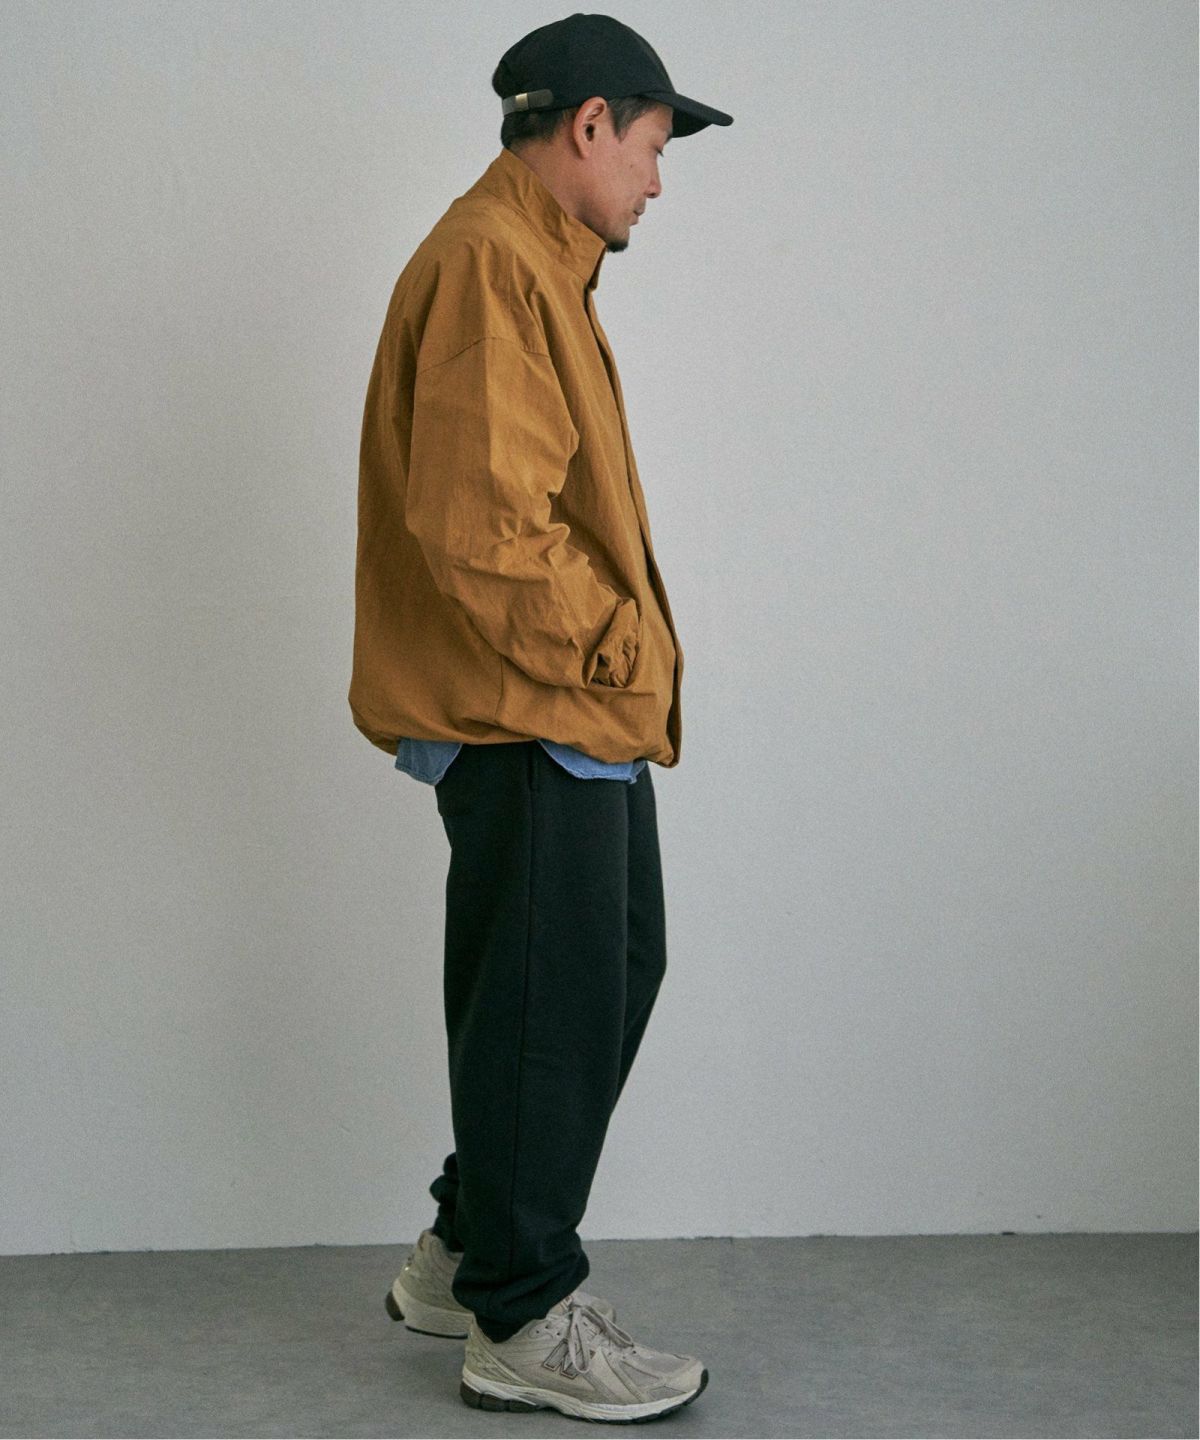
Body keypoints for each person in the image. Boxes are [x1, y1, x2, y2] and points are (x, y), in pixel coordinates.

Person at [349, 12, 732, 1424]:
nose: (657, 179)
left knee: (605, 971)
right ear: (586, 125)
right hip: (531, 708)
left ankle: (464, 1251)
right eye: (651, 145)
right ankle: (519, 1312)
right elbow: (485, 531)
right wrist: (624, 646)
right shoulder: (492, 264)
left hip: (569, 706)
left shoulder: (537, 263)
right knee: (548, 1007)